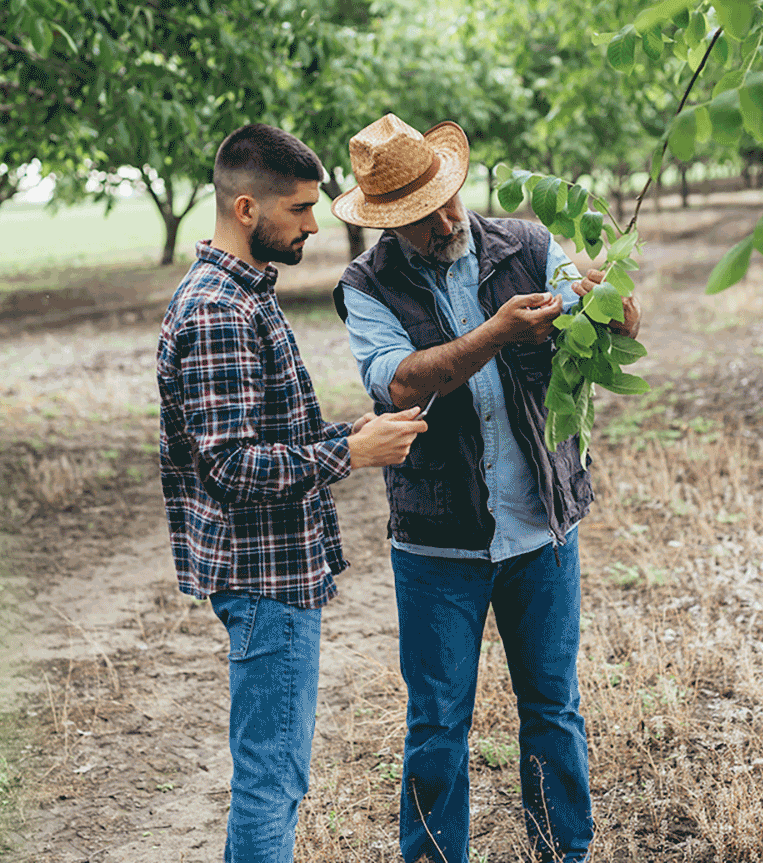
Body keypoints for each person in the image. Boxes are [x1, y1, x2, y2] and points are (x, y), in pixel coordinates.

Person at [330, 114, 641, 863]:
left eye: (449, 198)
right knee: (437, 723)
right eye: (422, 214)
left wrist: (617, 307)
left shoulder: (527, 246)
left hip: (541, 528)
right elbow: (401, 381)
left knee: (554, 710)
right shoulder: (365, 285)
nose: (445, 218)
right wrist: (497, 333)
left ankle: (564, 853)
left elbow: (606, 322)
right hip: (438, 542)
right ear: (388, 222)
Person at [156, 123, 427, 863]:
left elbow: (264, 431)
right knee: (272, 782)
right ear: (247, 209)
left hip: (276, 575)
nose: (315, 224)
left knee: (277, 774)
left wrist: (354, 432)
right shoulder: (219, 310)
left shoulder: (241, 293)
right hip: (263, 580)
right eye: (303, 210)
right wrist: (351, 452)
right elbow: (232, 465)